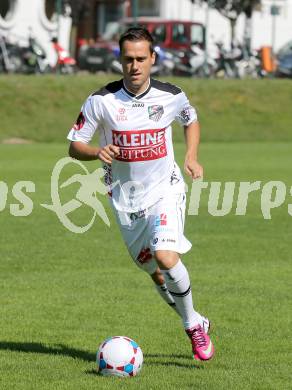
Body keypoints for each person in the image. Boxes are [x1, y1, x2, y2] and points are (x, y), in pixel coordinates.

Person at [67, 27, 214, 361]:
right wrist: (95, 153)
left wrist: (191, 156)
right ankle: (196, 319)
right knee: (155, 272)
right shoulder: (100, 101)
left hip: (166, 189)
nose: (134, 66)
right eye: (128, 59)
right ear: (121, 59)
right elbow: (74, 145)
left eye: (140, 59)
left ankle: (192, 325)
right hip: (125, 201)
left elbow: (190, 118)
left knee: (166, 255)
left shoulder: (171, 94)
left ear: (152, 59)